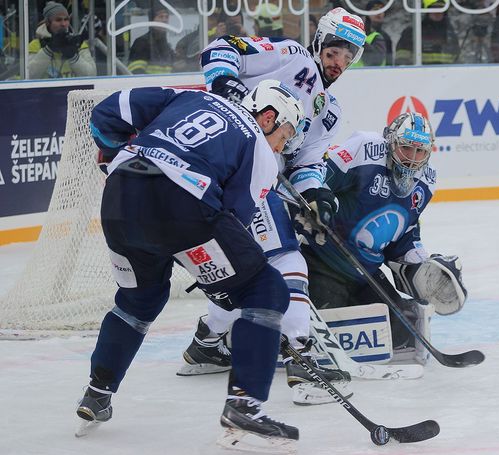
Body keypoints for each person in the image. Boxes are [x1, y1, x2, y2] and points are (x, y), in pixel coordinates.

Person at [75, 79, 306, 450]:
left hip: (120, 195)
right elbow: (231, 220)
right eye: (284, 135)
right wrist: (230, 292)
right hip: (182, 202)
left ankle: (97, 393)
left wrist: (114, 157)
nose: (281, 147)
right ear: (267, 117)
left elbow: (106, 113)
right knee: (266, 290)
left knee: (139, 299)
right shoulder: (259, 152)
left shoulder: (191, 96)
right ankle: (244, 406)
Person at [180, 7, 366, 405]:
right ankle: (304, 358)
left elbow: (304, 163)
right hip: (228, 168)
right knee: (286, 259)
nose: (339, 64)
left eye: (349, 59)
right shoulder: (293, 57)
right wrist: (227, 84)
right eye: (334, 53)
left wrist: (315, 192)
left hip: (255, 184)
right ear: (320, 43)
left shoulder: (329, 112)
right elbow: (221, 48)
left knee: (247, 271)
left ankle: (207, 343)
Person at [296, 113, 467, 364]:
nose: (412, 158)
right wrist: (313, 208)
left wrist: (419, 264)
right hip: (321, 261)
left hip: (364, 272)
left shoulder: (426, 183)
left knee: (405, 332)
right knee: (325, 328)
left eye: (420, 151)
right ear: (391, 142)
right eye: (406, 148)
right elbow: (315, 179)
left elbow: (405, 233)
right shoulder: (365, 149)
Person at [27, 1, 96, 79]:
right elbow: (29, 75)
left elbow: (92, 75)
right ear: (48, 23)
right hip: (46, 91)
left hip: (73, 90)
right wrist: (48, 50)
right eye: (58, 20)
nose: (63, 24)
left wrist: (73, 57)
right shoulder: (35, 45)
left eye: (66, 19)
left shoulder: (77, 43)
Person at [395, 0, 460, 65]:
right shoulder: (412, 32)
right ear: (427, 12)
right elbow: (401, 61)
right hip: (418, 73)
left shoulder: (450, 35)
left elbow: (458, 60)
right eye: (433, 9)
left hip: (447, 74)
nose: (437, 12)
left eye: (441, 9)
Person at [127, 3, 175, 74]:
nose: (164, 20)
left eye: (166, 17)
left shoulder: (167, 46)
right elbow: (136, 73)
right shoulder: (141, 43)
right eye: (160, 17)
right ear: (152, 21)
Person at [352, 0, 388, 67]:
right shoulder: (352, 33)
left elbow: (385, 61)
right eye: (375, 9)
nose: (379, 13)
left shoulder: (384, 36)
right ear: (367, 13)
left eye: (382, 10)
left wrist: (358, 39)